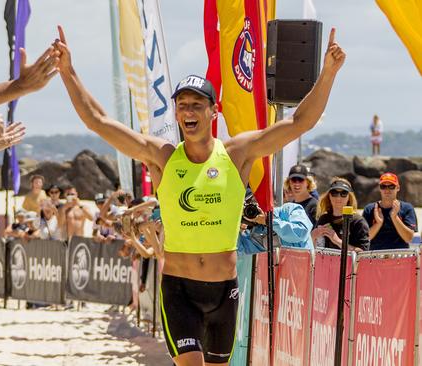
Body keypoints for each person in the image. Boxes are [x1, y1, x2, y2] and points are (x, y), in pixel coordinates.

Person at [53, 25, 345, 365]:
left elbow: (297, 124)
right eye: (182, 106)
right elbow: (99, 121)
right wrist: (68, 72)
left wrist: (328, 74)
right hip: (179, 290)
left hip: (225, 291)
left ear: (213, 111)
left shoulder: (237, 154)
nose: (188, 112)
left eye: (196, 105)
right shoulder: (162, 156)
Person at [362, 173, 417, 250]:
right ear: (379, 189)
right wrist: (378, 223)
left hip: (400, 256)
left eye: (391, 186)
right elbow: (365, 239)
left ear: (398, 188)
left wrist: (394, 217)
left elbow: (408, 238)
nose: (387, 190)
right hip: (375, 256)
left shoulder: (407, 208)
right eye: (383, 186)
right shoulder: (370, 209)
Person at [311, 178, 369, 251]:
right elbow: (315, 249)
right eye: (334, 193)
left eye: (343, 193)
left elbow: (363, 253)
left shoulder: (358, 221)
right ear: (329, 196)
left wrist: (337, 241)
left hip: (349, 262)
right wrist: (312, 237)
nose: (338, 197)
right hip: (327, 261)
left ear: (349, 197)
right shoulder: (324, 218)